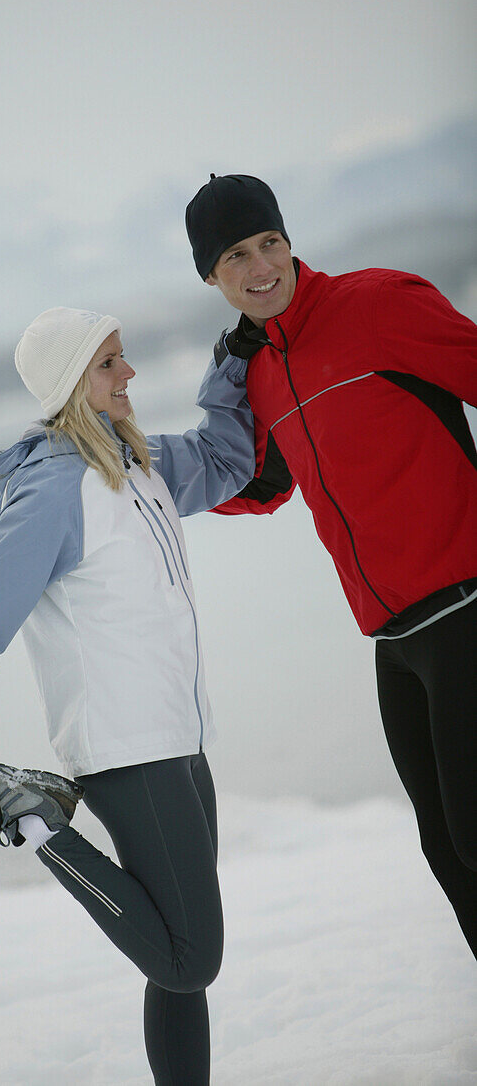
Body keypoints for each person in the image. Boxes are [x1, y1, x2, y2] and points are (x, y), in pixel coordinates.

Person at [0, 306, 257, 1085]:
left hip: (178, 736)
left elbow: (227, 457)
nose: (130, 375)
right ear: (75, 382)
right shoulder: (52, 491)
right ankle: (40, 822)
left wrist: (234, 359)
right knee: (188, 959)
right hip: (123, 746)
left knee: (172, 956)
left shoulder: (134, 464)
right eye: (111, 364)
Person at [185, 173, 477, 957]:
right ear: (211, 277)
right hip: (393, 641)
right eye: (235, 256)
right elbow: (260, 487)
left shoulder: (379, 303)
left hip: (466, 609)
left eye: (269, 243)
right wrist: (133, 475)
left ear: (289, 241)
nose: (260, 268)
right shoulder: (259, 371)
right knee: (447, 852)